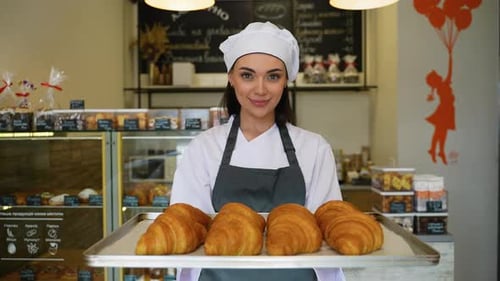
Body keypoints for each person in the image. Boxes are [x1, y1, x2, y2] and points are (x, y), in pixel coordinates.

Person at [170, 21, 345, 281]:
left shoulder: (314, 149)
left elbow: (330, 231)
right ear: (231, 78)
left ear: (285, 81)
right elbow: (186, 231)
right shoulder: (204, 148)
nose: (260, 89)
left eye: (273, 76)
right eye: (247, 75)